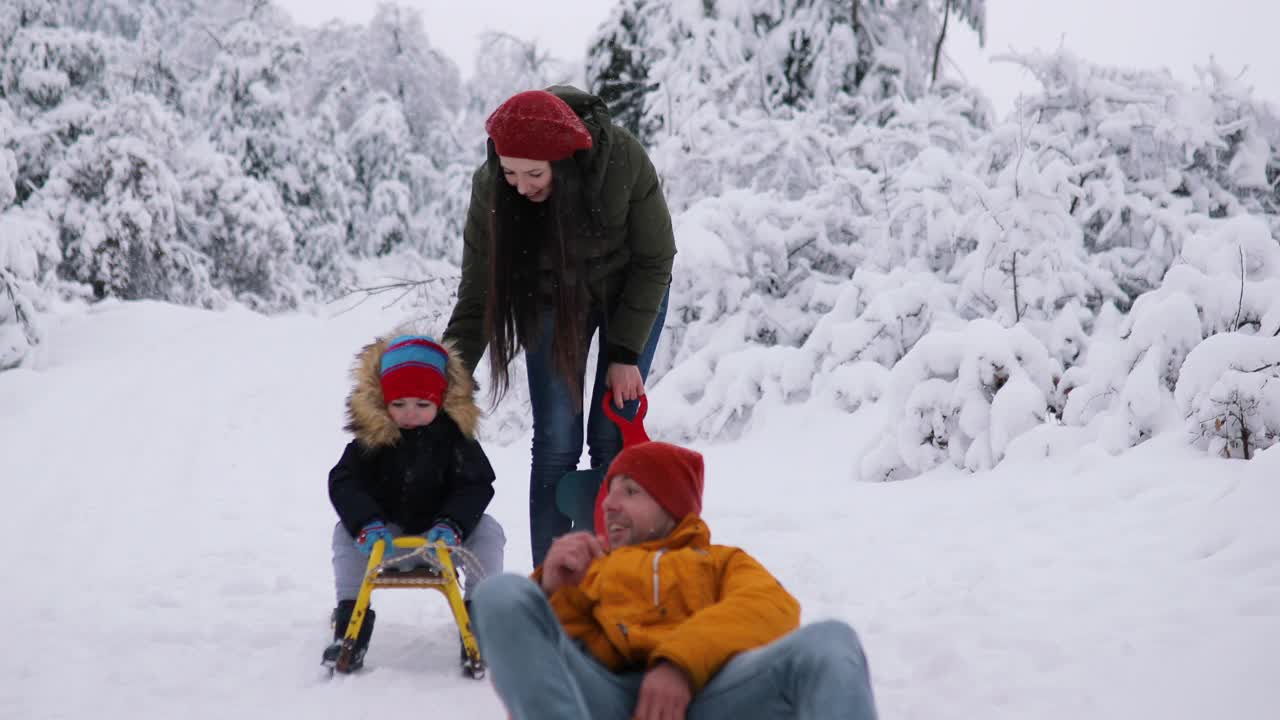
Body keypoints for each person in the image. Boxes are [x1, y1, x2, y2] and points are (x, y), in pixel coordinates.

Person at [469, 442, 879, 720]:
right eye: (609, 493)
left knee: (831, 641)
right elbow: (548, 663)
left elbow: (769, 610)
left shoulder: (719, 562)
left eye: (630, 492)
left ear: (673, 507)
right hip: (606, 699)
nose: (610, 504)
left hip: (711, 698)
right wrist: (551, 589)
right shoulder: (591, 566)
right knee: (501, 593)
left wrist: (679, 664)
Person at [443, 86, 676, 567]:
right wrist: (447, 372)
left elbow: (655, 260)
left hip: (630, 291)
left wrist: (625, 354)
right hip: (550, 299)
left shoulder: (622, 161)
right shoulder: (492, 187)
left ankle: (614, 575)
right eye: (510, 172)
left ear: (564, 163)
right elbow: (478, 291)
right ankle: (552, 586)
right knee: (556, 441)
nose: (521, 186)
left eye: (534, 173)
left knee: (610, 434)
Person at [323, 333, 506, 673]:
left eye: (422, 405)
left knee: (490, 532)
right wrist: (366, 523)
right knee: (342, 534)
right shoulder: (372, 440)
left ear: (439, 402)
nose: (410, 414)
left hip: (444, 540)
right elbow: (343, 481)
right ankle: (350, 625)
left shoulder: (454, 440)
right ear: (383, 402)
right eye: (399, 404)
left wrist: (453, 523)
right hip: (385, 540)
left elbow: (477, 484)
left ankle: (480, 621)